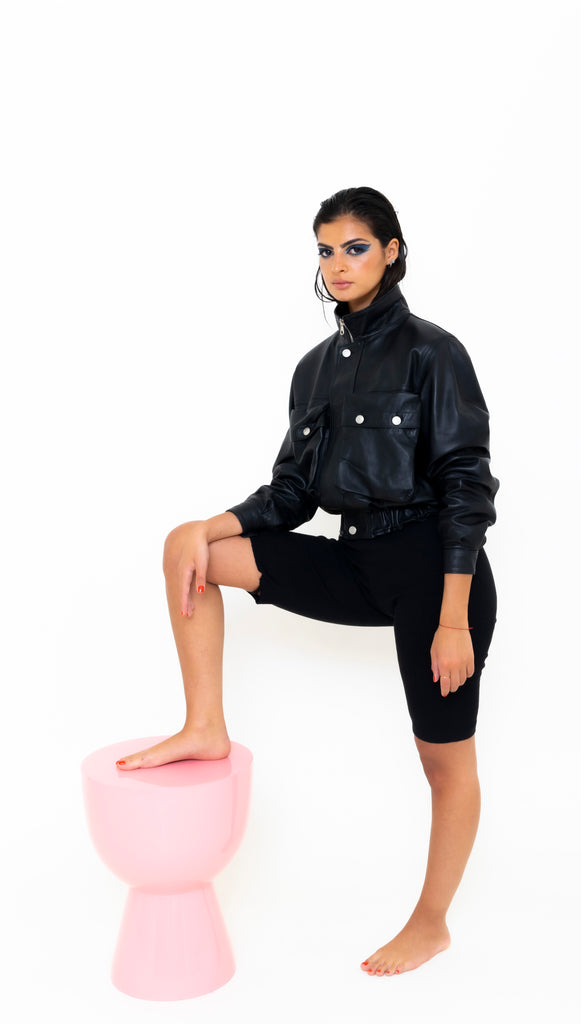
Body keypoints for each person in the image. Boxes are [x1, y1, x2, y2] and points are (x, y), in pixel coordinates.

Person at [116, 186, 499, 978]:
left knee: (444, 762)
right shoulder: (314, 369)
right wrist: (210, 525)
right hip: (353, 561)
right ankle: (204, 724)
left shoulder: (433, 352)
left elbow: (466, 488)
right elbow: (291, 494)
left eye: (354, 247)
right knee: (187, 549)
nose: (337, 264)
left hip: (433, 575)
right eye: (325, 250)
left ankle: (430, 923)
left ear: (391, 250)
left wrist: (453, 618)